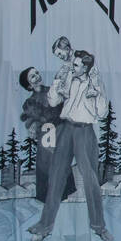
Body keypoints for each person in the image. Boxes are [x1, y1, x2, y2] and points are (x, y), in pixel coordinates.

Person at [30, 49, 113, 241]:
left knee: (91, 179)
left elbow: (102, 113)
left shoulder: (95, 83)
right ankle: (44, 227)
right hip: (66, 128)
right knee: (56, 175)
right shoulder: (68, 77)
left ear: (85, 67)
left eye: (76, 65)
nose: (72, 67)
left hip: (85, 131)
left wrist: (97, 92)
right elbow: (52, 101)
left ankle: (99, 227)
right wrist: (58, 81)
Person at [18, 66, 75, 205]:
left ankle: (64, 197)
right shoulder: (29, 102)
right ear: (29, 85)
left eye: (36, 72)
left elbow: (62, 107)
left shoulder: (52, 90)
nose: (36, 76)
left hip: (60, 131)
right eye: (32, 76)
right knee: (46, 165)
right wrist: (34, 122)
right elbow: (37, 119)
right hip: (46, 137)